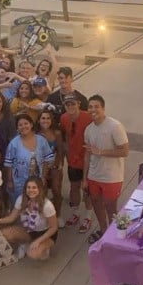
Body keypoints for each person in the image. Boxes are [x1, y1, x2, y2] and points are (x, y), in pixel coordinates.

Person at [82, 95, 129, 243]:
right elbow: (87, 155)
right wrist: (85, 178)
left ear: (103, 108)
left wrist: (101, 152)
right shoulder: (88, 129)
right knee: (96, 204)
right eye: (90, 107)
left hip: (111, 177)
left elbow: (124, 151)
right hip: (93, 176)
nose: (93, 109)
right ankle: (103, 231)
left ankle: (114, 235)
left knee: (111, 208)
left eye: (96, 106)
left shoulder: (115, 126)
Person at [0, 176, 58, 260]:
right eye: (28, 187)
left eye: (34, 187)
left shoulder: (47, 205)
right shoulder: (21, 199)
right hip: (29, 231)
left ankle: (43, 248)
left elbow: (54, 227)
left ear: (40, 189)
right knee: (4, 233)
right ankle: (24, 243)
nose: (31, 190)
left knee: (33, 254)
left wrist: (38, 241)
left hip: (45, 233)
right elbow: (11, 218)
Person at [3, 113, 54, 205]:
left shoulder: (41, 140)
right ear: (17, 128)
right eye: (20, 125)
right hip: (19, 182)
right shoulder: (14, 143)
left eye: (26, 123)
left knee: (36, 206)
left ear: (31, 124)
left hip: (37, 181)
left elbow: (47, 159)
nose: (23, 127)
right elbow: (8, 164)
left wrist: (43, 176)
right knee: (19, 206)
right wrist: (10, 181)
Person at [58, 96, 90, 234]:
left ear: (78, 103)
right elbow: (64, 137)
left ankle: (88, 216)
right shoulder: (64, 118)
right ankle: (75, 213)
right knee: (74, 187)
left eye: (72, 104)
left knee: (87, 188)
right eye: (67, 104)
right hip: (73, 160)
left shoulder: (88, 117)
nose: (70, 106)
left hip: (88, 160)